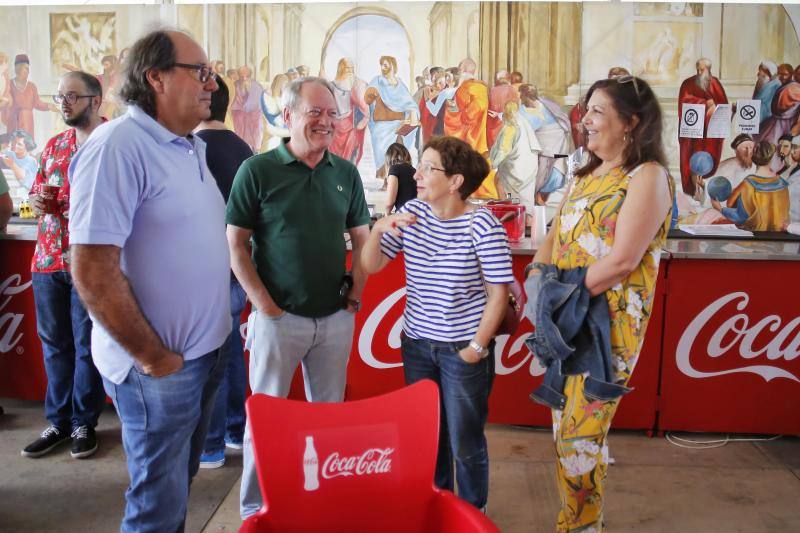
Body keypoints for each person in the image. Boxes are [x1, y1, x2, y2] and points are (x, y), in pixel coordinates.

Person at [68, 30, 231, 532]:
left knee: (176, 485)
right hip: (159, 371)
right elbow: (92, 270)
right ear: (156, 77)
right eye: (200, 71)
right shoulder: (117, 146)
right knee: (155, 507)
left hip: (203, 356)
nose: (212, 83)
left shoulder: (189, 145)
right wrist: (153, 356)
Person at [526, 75, 672, 531]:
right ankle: (578, 523)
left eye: (597, 111)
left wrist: (557, 295)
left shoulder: (647, 176)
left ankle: (581, 526)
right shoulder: (584, 175)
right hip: (565, 322)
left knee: (580, 442)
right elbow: (553, 238)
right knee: (564, 435)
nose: (584, 119)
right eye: (586, 109)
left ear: (631, 122)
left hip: (607, 329)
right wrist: (536, 281)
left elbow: (623, 260)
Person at [227, 77, 371, 520]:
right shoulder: (257, 171)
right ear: (288, 116)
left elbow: (362, 242)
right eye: (315, 112)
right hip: (278, 320)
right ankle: (255, 511)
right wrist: (266, 307)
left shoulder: (345, 173)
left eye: (332, 113)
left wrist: (354, 299)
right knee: (266, 419)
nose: (326, 121)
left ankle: (320, 503)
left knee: (328, 420)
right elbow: (236, 246)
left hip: (334, 320)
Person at [362, 136, 513, 512]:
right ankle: (439, 508)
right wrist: (379, 229)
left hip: (463, 348)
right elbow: (371, 265)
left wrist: (476, 349)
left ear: (455, 181)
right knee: (430, 437)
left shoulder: (482, 224)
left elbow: (499, 296)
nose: (417, 175)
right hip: (417, 346)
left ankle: (471, 513)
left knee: (465, 441)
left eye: (428, 168)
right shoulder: (413, 213)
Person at [20, 71, 106, 460]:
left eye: (72, 96)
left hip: (91, 263)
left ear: (95, 100)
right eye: (60, 97)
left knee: (87, 345)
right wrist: (36, 201)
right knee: (55, 346)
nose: (64, 103)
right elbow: (36, 190)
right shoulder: (55, 144)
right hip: (47, 260)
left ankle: (84, 422)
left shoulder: (113, 143)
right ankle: (58, 421)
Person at [193, 74, 254, 469]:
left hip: (204, 269)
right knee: (231, 353)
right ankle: (235, 430)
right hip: (239, 268)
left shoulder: (190, 148)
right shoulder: (243, 148)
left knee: (209, 359)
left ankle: (211, 444)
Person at [678, 58, 728, 197]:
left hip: (709, 135)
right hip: (692, 134)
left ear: (709, 69)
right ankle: (694, 191)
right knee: (691, 160)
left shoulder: (715, 83)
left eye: (702, 70)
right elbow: (684, 103)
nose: (699, 72)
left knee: (706, 160)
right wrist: (705, 103)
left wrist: (715, 108)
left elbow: (723, 106)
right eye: (698, 70)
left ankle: (704, 191)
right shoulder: (688, 83)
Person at [714, 140, 789, 231]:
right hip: (778, 236)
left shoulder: (748, 184)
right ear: (771, 157)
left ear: (753, 157)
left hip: (754, 236)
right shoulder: (783, 184)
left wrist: (720, 209)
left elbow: (739, 216)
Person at [365, 55, 419, 173]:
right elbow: (368, 96)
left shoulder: (400, 83)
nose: (383, 68)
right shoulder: (377, 81)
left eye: (385, 65)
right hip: (382, 124)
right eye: (382, 65)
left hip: (399, 122)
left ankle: (400, 174)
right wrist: (371, 94)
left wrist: (413, 112)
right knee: (383, 146)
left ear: (392, 65)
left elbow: (409, 102)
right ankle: (386, 176)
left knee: (400, 146)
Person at [4, 54, 56, 137]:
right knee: (13, 143)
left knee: (26, 144)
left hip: (28, 124)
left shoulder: (32, 86)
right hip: (14, 123)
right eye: (25, 68)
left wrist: (49, 106)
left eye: (28, 69)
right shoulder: (9, 84)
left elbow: (37, 103)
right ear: (17, 69)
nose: (27, 72)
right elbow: (5, 104)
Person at [329, 57, 369, 163]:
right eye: (347, 68)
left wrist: (364, 119)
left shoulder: (357, 84)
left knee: (351, 153)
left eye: (352, 68)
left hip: (350, 125)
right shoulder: (331, 85)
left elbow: (363, 106)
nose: (350, 71)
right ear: (341, 69)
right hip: (335, 126)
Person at [383, 142, 416, 214]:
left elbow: (390, 202)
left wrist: (386, 214)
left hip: (403, 216)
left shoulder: (394, 169)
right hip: (417, 215)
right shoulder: (414, 170)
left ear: (389, 158)